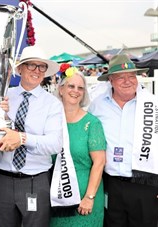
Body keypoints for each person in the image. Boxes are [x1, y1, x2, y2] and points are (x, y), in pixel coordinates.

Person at [0, 45, 64, 227]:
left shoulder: (52, 104)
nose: (37, 71)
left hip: (35, 181)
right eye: (31, 65)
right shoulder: (1, 96)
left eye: (41, 67)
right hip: (3, 180)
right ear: (20, 68)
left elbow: (55, 144)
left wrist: (22, 138)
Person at [89, 54, 158, 227]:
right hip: (112, 185)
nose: (128, 81)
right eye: (121, 77)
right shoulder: (97, 106)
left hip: (146, 185)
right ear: (110, 80)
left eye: (131, 76)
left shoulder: (153, 105)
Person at [50, 67, 106, 226]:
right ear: (61, 89)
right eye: (71, 86)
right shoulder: (51, 121)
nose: (76, 91)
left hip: (84, 198)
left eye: (80, 88)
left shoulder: (92, 123)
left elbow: (99, 162)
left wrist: (89, 197)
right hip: (57, 198)